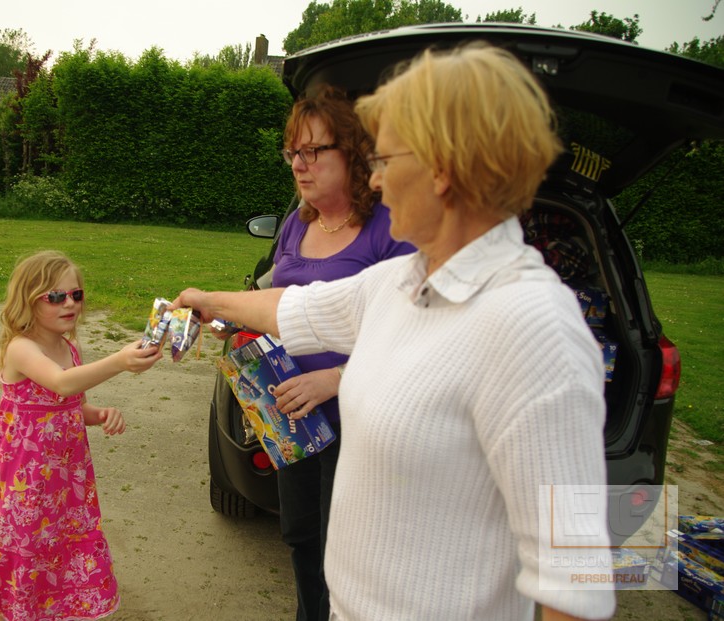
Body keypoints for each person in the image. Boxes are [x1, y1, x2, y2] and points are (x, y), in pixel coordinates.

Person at [174, 42, 615, 620]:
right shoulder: (403, 279)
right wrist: (207, 302)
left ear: (443, 168)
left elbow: (574, 580)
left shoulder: (535, 331)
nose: (375, 181)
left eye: (383, 159)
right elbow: (296, 307)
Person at [270, 84, 414, 621]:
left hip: (356, 420)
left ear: (351, 152)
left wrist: (334, 378)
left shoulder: (390, 229)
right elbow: (278, 301)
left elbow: (414, 335)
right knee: (301, 537)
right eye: (292, 152)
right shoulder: (296, 223)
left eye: (312, 151)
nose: (298, 165)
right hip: (293, 417)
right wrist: (233, 321)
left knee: (347, 550)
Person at [0, 250, 162, 621]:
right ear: (28, 300)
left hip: (66, 480)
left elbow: (73, 405)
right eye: (56, 296)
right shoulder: (21, 348)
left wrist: (101, 414)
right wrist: (119, 362)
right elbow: (61, 384)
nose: (70, 304)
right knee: (30, 548)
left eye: (76, 295)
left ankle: (62, 610)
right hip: (27, 482)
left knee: (64, 546)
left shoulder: (69, 347)